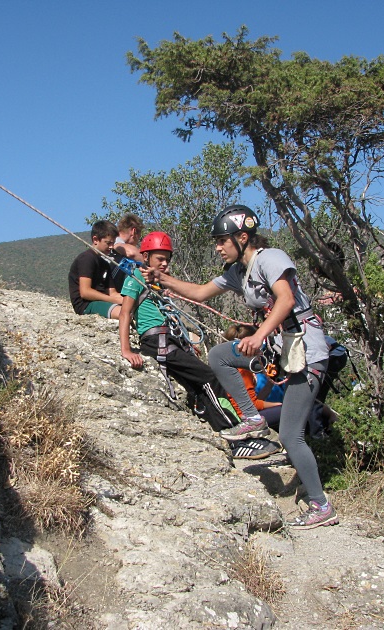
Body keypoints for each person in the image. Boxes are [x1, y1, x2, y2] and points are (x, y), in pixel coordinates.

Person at [144, 204, 338, 529]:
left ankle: (320, 505)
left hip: (307, 350)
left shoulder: (270, 258)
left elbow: (287, 299)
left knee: (291, 436)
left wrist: (260, 335)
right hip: (286, 350)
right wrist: (163, 279)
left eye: (222, 240)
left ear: (242, 237)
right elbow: (201, 293)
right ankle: (252, 419)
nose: (218, 247)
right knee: (220, 355)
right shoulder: (239, 272)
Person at [119, 231, 238, 432]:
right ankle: (232, 427)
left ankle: (223, 429)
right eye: (160, 259)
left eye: (167, 259)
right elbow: (125, 313)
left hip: (168, 340)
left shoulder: (157, 282)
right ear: (146, 257)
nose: (165, 264)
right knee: (208, 376)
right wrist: (126, 349)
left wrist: (185, 344)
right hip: (156, 341)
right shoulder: (136, 277)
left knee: (197, 386)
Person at [68, 220, 122, 319]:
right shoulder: (87, 259)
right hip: (87, 304)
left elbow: (112, 292)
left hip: (103, 301)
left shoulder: (105, 264)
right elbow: (85, 292)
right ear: (96, 239)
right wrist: (113, 300)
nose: (111, 247)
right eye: (108, 243)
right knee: (123, 313)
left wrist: (128, 300)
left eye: (113, 243)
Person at [112, 213, 144, 291]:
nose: (138, 240)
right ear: (134, 231)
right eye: (139, 237)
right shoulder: (115, 241)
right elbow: (131, 252)